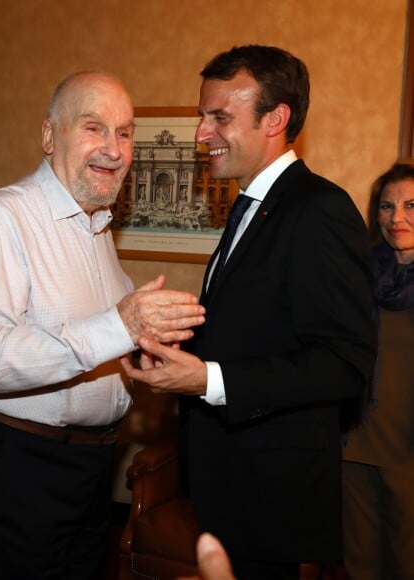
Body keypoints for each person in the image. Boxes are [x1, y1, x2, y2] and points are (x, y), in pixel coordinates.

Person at [122, 45, 377, 579]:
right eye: (201, 116)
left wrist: (208, 380)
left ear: (275, 119)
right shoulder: (251, 206)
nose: (200, 133)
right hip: (228, 486)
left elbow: (343, 363)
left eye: (219, 117)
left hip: (270, 496)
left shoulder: (319, 210)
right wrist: (171, 356)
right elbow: (259, 331)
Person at [0, 71, 205, 580]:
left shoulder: (98, 227)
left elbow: (85, 339)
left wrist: (137, 356)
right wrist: (118, 326)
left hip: (89, 471)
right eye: (93, 128)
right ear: (49, 136)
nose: (113, 149)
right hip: (17, 469)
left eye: (125, 133)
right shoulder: (4, 218)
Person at [341, 159, 414, 580]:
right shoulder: (357, 272)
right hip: (356, 443)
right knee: (360, 565)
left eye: (410, 205)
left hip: (408, 449)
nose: (396, 217)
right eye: (387, 206)